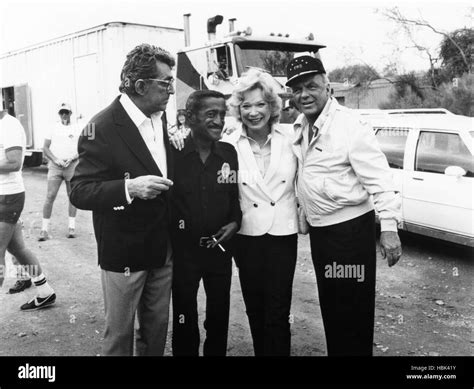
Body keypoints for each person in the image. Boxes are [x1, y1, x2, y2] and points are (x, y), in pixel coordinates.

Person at [286, 55, 402, 356]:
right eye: (297, 89)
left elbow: (380, 179)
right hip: (322, 234)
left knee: (353, 311)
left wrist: (389, 228)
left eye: (311, 86)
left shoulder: (350, 125)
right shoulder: (300, 125)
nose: (304, 95)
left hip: (350, 234)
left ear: (328, 87)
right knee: (332, 308)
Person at [70, 43, 175, 356]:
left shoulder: (161, 117)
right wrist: (130, 188)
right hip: (124, 253)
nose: (172, 88)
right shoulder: (100, 127)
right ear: (141, 86)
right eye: (166, 82)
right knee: (119, 337)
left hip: (162, 248)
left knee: (156, 333)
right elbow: (79, 190)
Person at [225, 69, 299, 356]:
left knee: (278, 311)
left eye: (260, 104)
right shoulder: (228, 144)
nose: (253, 112)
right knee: (255, 308)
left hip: (282, 234)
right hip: (248, 236)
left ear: (272, 106)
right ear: (238, 109)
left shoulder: (292, 139)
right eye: (246, 105)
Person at [170, 90, 241, 356]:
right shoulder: (173, 154)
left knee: (218, 316)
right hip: (183, 253)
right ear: (190, 117)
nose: (219, 121)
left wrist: (235, 222)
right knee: (184, 317)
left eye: (222, 115)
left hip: (219, 252)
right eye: (211, 114)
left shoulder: (228, 153)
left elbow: (235, 198)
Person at [0, 111, 56, 310]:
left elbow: (14, 163)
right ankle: (45, 291)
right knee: (16, 248)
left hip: (7, 197)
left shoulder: (9, 126)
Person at [38, 103, 81, 241]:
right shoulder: (53, 128)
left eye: (66, 112)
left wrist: (72, 158)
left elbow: (83, 147)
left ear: (70, 113)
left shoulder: (77, 127)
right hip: (56, 166)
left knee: (72, 196)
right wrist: (55, 160)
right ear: (58, 114)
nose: (64, 115)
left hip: (71, 165)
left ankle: (71, 227)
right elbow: (45, 147)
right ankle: (44, 229)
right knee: (50, 196)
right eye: (61, 112)